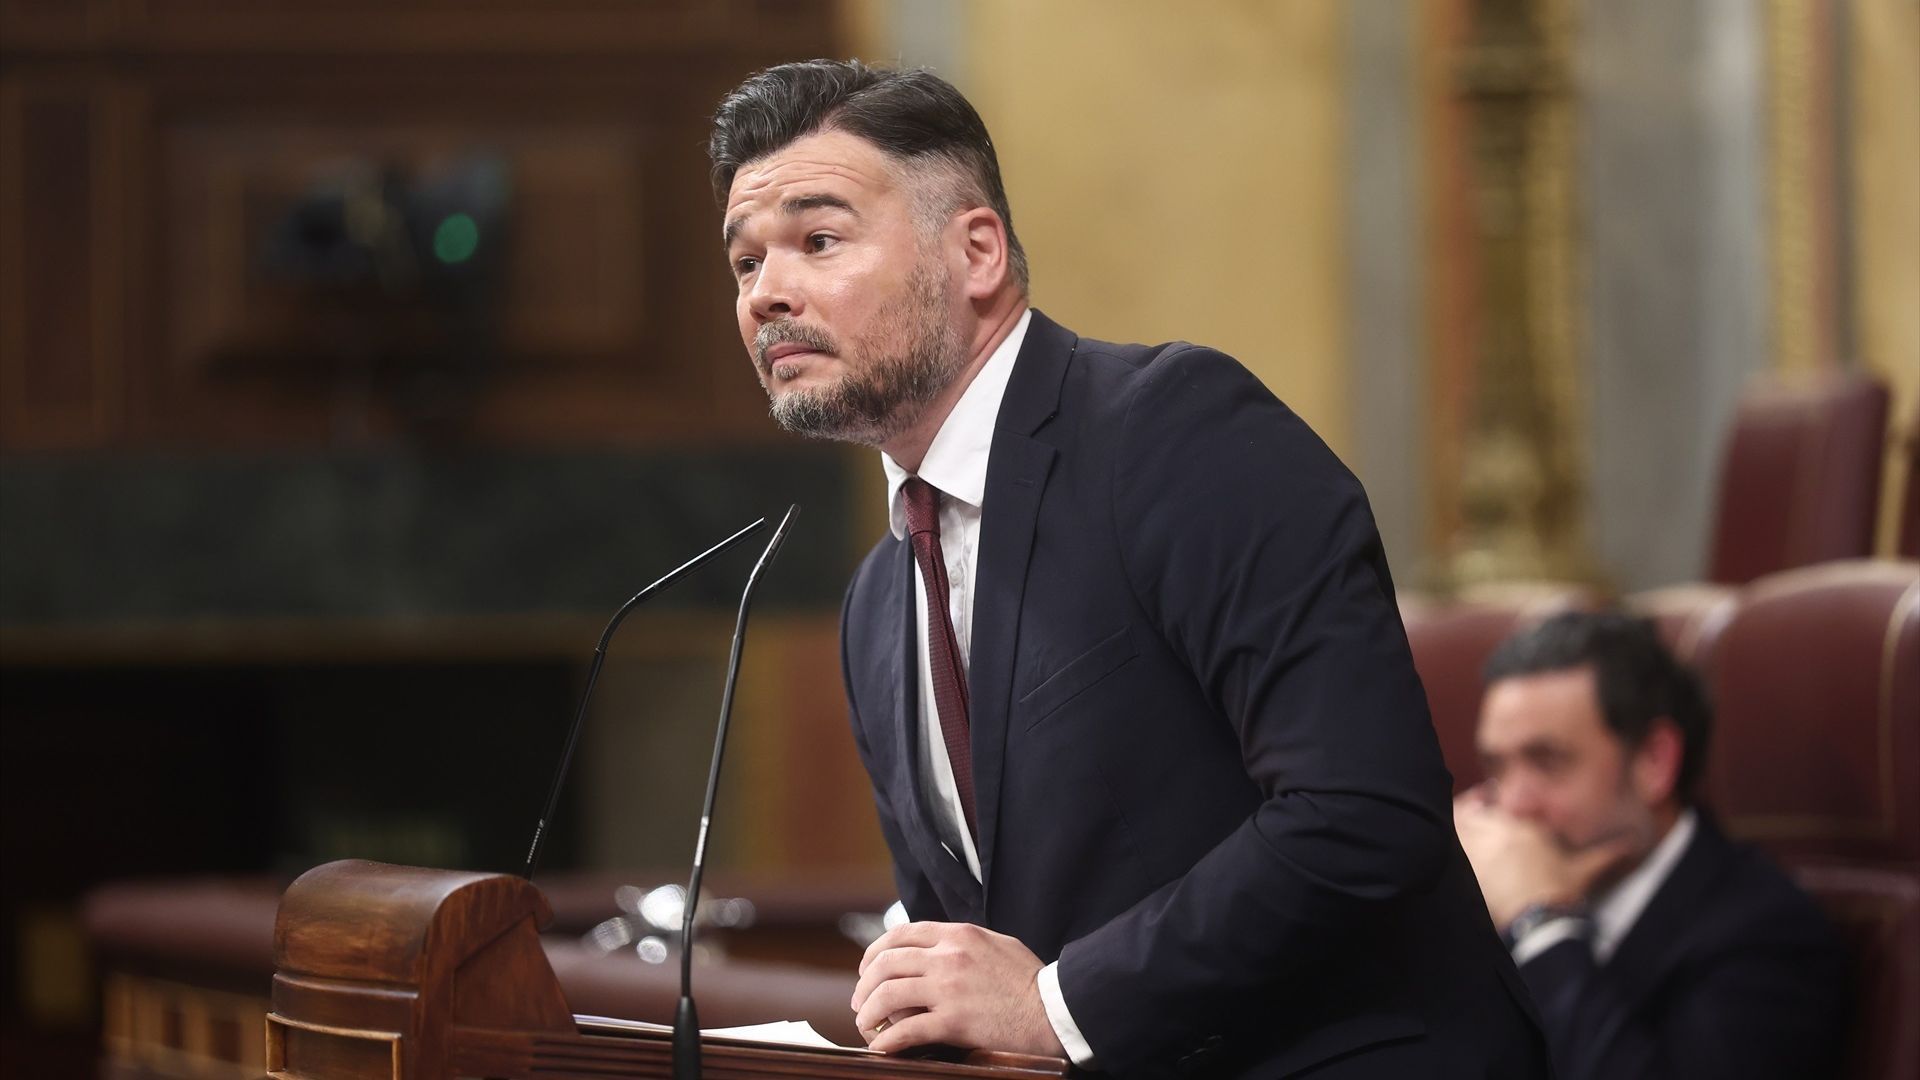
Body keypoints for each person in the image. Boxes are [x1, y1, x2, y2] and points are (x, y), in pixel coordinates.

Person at [710, 60, 1546, 1078]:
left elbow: (1363, 811)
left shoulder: (1174, 432)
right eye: (745, 264)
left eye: (818, 240)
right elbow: (971, 943)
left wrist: (1058, 1002)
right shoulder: (878, 600)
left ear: (976, 250)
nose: (768, 294)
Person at [1454, 611, 1848, 1080]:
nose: (1513, 805)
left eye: (1547, 761)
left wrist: (1539, 923)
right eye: (1497, 766)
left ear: (1653, 761)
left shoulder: (1766, 935)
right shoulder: (1491, 896)